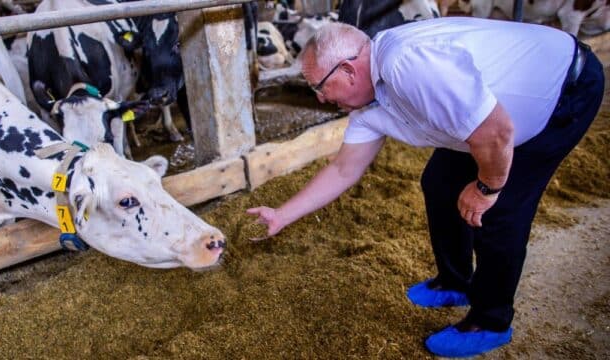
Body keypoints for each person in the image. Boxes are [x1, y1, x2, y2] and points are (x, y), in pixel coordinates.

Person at [246, 17, 605, 357]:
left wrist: (486, 189)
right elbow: (343, 170)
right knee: (440, 181)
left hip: (561, 91)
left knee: (501, 211)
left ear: (347, 70)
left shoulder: (407, 65)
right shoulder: (369, 106)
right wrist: (281, 215)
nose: (320, 98)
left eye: (319, 87)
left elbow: (497, 133)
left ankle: (490, 322)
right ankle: (455, 282)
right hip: (485, 120)